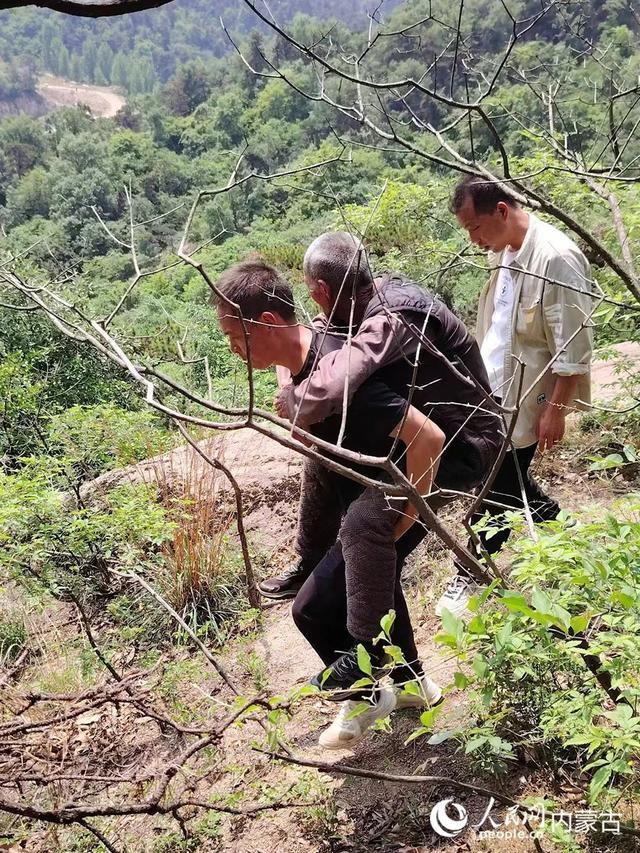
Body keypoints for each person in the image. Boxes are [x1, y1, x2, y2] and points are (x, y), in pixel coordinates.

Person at [213, 259, 448, 747]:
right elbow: (289, 363)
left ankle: (364, 695)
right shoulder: (303, 362)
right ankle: (413, 686)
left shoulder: (343, 383)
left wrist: (407, 519)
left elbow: (427, 436)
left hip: (396, 498)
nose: (234, 351)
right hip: (360, 498)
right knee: (376, 583)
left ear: (270, 323)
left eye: (237, 338)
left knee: (313, 609)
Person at [437, 175, 593, 616]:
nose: (474, 240)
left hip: (529, 397)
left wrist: (557, 409)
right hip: (494, 392)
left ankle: (468, 574)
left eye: (475, 228)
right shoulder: (504, 252)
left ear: (501, 212)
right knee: (509, 479)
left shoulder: (556, 257)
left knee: (500, 488)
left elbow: (573, 341)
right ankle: (566, 532)